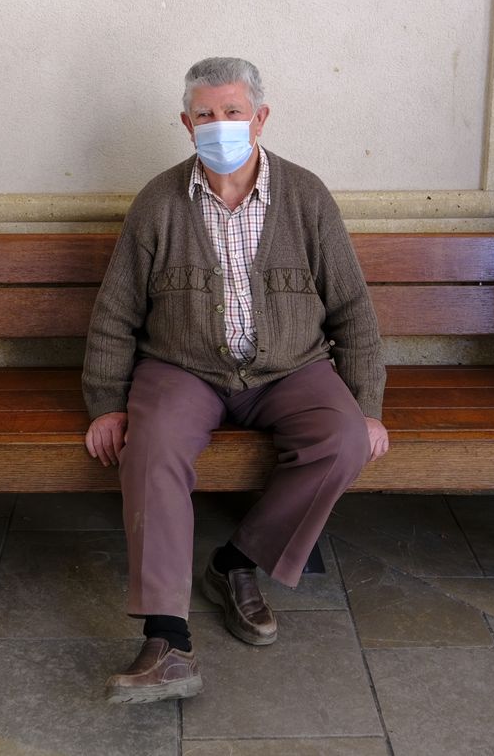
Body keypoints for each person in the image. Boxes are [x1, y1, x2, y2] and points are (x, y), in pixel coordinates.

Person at [83, 56, 389, 703]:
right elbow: (115, 314)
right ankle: (167, 638)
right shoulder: (158, 203)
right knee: (153, 442)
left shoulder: (306, 197)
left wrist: (365, 405)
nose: (220, 125)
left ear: (261, 118)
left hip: (291, 368)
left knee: (343, 440)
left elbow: (353, 309)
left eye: (233, 112)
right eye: (206, 115)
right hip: (182, 368)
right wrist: (107, 404)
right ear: (186, 123)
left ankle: (235, 561)